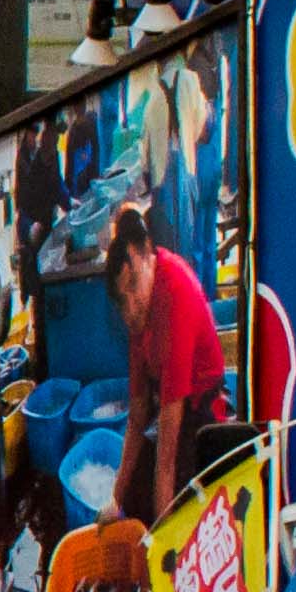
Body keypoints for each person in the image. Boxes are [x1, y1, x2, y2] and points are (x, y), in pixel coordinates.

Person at [102, 197, 227, 526]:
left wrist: (161, 542)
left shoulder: (175, 296)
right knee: (132, 492)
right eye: (122, 301)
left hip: (201, 404)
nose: (131, 309)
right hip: (169, 399)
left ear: (147, 256)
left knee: (182, 499)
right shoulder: (137, 313)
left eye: (133, 287)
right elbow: (138, 409)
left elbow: (167, 456)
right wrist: (114, 499)